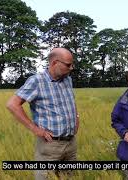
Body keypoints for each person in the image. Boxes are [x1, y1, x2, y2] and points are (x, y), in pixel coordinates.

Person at [6, 48, 79, 180]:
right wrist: (35, 129)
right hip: (50, 145)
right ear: (54, 63)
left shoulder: (67, 79)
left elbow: (71, 101)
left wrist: (77, 117)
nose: (71, 68)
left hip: (71, 143)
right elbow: (12, 104)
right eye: (68, 64)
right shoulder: (37, 81)